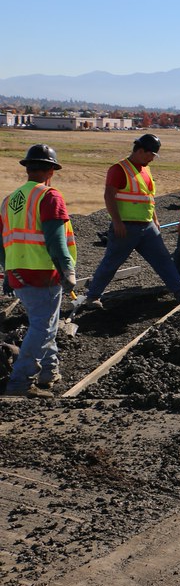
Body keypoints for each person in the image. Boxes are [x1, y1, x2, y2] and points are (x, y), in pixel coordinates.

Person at [0, 145, 77, 398]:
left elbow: (2, 241)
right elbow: (56, 240)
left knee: (46, 323)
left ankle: (48, 372)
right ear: (51, 170)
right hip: (42, 273)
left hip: (18, 274)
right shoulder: (50, 196)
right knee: (43, 328)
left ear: (28, 168)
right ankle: (21, 381)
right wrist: (68, 270)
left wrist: (8, 272)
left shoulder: (9, 200)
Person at [82, 134, 180, 308]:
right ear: (140, 151)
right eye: (151, 155)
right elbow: (109, 195)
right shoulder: (119, 169)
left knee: (163, 260)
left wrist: (155, 219)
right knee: (111, 263)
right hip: (126, 227)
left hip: (147, 227)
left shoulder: (145, 169)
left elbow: (147, 198)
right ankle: (93, 296)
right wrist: (117, 222)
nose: (152, 159)